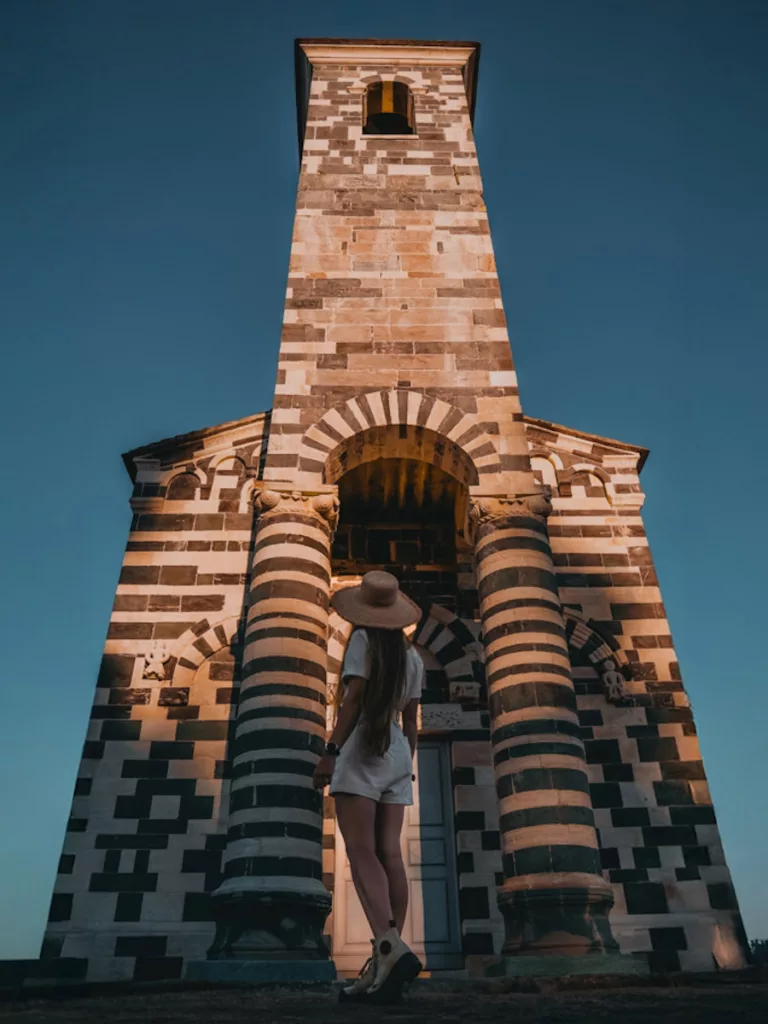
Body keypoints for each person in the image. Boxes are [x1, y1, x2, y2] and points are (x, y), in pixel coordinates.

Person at [312, 570, 425, 1005]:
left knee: (360, 852)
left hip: (362, 745)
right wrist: (407, 764)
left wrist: (330, 751)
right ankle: (386, 959)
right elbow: (412, 719)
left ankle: (388, 947)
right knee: (390, 854)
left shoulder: (362, 642)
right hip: (396, 749)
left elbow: (354, 700)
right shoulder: (412, 658)